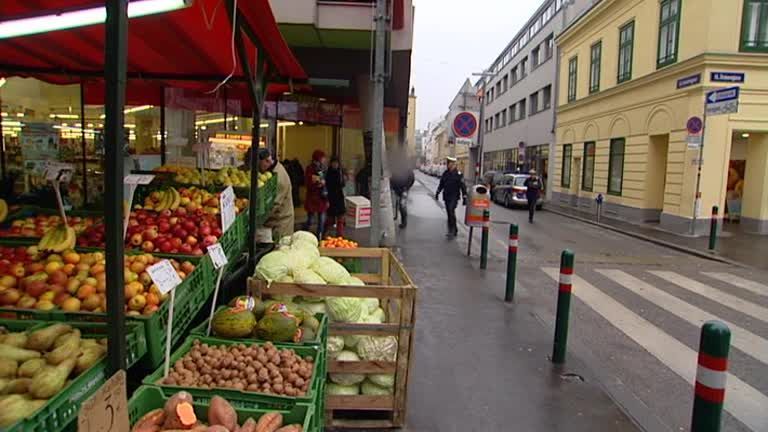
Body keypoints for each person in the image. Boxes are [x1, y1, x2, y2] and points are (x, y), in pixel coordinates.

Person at [435, 157, 467, 237]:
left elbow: (463, 186)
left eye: (449, 163)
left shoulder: (458, 174)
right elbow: (441, 184)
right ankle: (453, 229)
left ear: (453, 164)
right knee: (449, 213)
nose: (447, 165)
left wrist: (464, 197)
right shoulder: (445, 173)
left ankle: (452, 230)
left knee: (451, 210)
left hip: (454, 197)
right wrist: (438, 192)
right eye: (447, 163)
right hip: (446, 196)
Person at [304, 150, 329, 238]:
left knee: (322, 220)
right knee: (310, 220)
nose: (324, 159)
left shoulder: (324, 169)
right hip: (313, 198)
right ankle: (305, 235)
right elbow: (308, 182)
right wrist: (317, 183)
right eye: (323, 158)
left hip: (322, 198)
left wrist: (324, 183)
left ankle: (319, 236)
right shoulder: (310, 169)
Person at [324, 157, 347, 237]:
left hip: (339, 198)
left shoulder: (340, 172)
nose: (335, 165)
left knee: (340, 218)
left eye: (336, 163)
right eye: (334, 163)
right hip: (331, 198)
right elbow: (328, 185)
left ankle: (339, 235)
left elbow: (342, 184)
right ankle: (327, 235)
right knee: (330, 218)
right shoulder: (328, 173)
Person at [390, 159, 415, 229]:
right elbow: (392, 178)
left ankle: (404, 222)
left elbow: (412, 179)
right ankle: (396, 216)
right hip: (397, 190)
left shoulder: (408, 170)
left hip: (404, 190)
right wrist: (393, 186)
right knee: (397, 204)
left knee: (402, 205)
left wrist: (407, 187)